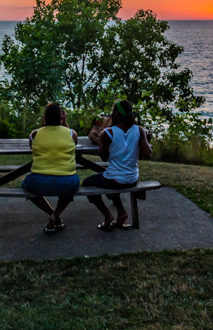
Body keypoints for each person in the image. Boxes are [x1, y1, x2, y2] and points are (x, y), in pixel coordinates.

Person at [82, 99, 152, 230]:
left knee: (87, 183)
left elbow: (104, 157)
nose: (111, 113)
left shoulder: (107, 133)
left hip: (115, 179)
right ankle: (121, 213)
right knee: (108, 179)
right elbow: (147, 153)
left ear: (117, 114)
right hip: (132, 178)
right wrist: (147, 140)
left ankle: (108, 215)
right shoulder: (139, 130)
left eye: (113, 110)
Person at [21, 103, 79, 234]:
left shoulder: (35, 134)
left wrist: (43, 123)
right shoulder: (71, 133)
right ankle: (56, 215)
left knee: (25, 185)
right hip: (67, 182)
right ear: (61, 117)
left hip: (39, 182)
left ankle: (52, 213)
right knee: (72, 187)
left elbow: (33, 145)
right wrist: (64, 122)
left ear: (45, 117)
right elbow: (74, 142)